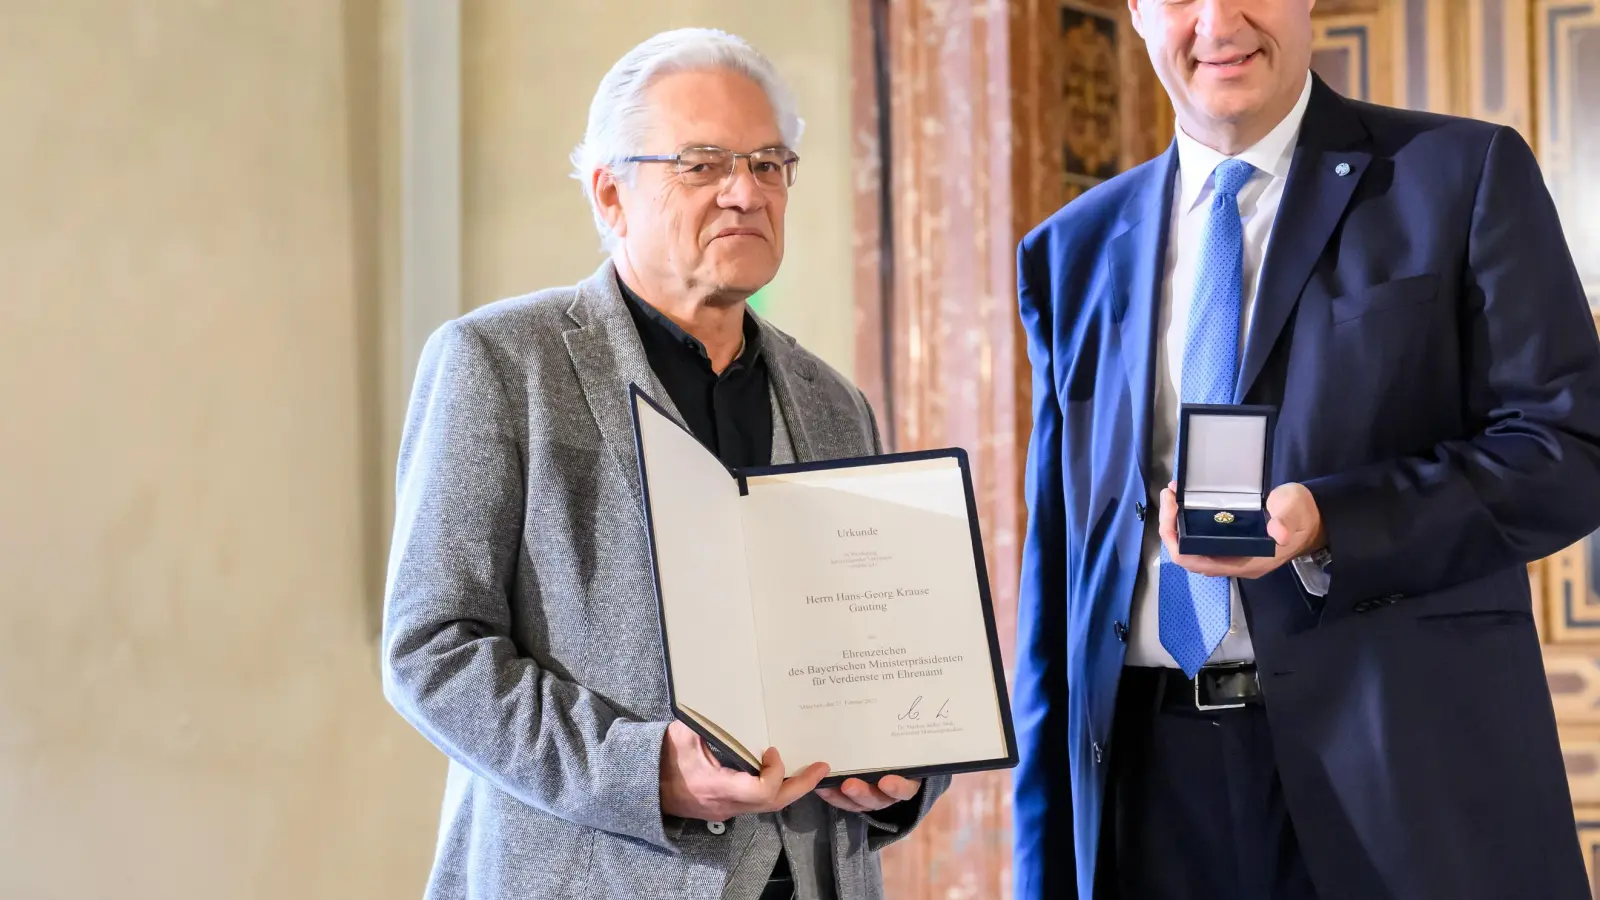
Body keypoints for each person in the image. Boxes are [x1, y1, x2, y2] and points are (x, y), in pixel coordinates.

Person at [1011, 1, 1600, 898]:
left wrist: (1333, 521)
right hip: (1144, 786)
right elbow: (1058, 567)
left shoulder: (1460, 174)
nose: (1219, 22)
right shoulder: (1071, 250)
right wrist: (1042, 859)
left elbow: (1569, 448)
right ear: (1136, 11)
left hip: (1398, 780)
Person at [381, 28, 947, 900]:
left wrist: (905, 768)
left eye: (769, 164)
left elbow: (882, 651)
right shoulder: (499, 363)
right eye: (703, 164)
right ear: (610, 194)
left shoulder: (836, 402)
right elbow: (431, 649)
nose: (744, 193)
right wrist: (643, 771)